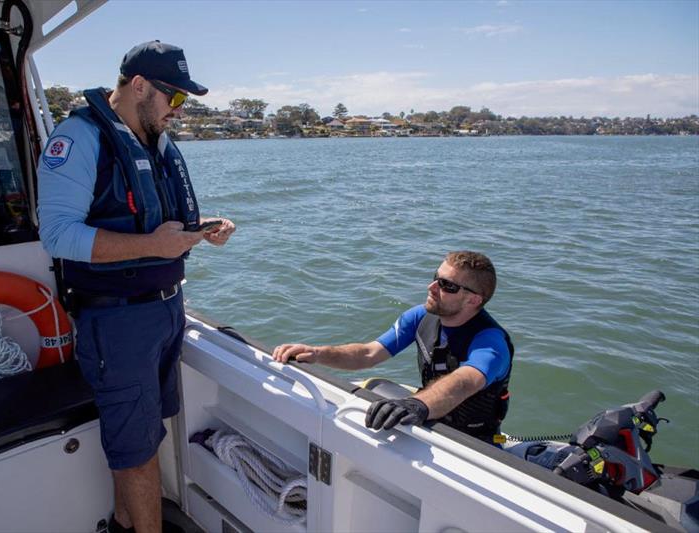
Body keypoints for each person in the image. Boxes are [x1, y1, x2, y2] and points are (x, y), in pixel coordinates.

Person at [37, 41, 235, 533]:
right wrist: (153, 245)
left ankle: (126, 522)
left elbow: (157, 224)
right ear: (139, 86)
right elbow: (57, 235)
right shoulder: (79, 139)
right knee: (138, 450)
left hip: (167, 311)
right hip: (118, 320)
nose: (179, 110)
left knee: (141, 440)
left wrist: (202, 229)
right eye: (176, 97)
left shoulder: (155, 141)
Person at [272, 251, 513, 444]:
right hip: (423, 416)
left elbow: (466, 380)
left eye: (446, 285)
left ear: (473, 300)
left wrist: (417, 404)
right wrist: (317, 353)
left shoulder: (490, 341)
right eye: (435, 277)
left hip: (472, 442)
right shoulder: (420, 317)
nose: (431, 287)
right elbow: (369, 353)